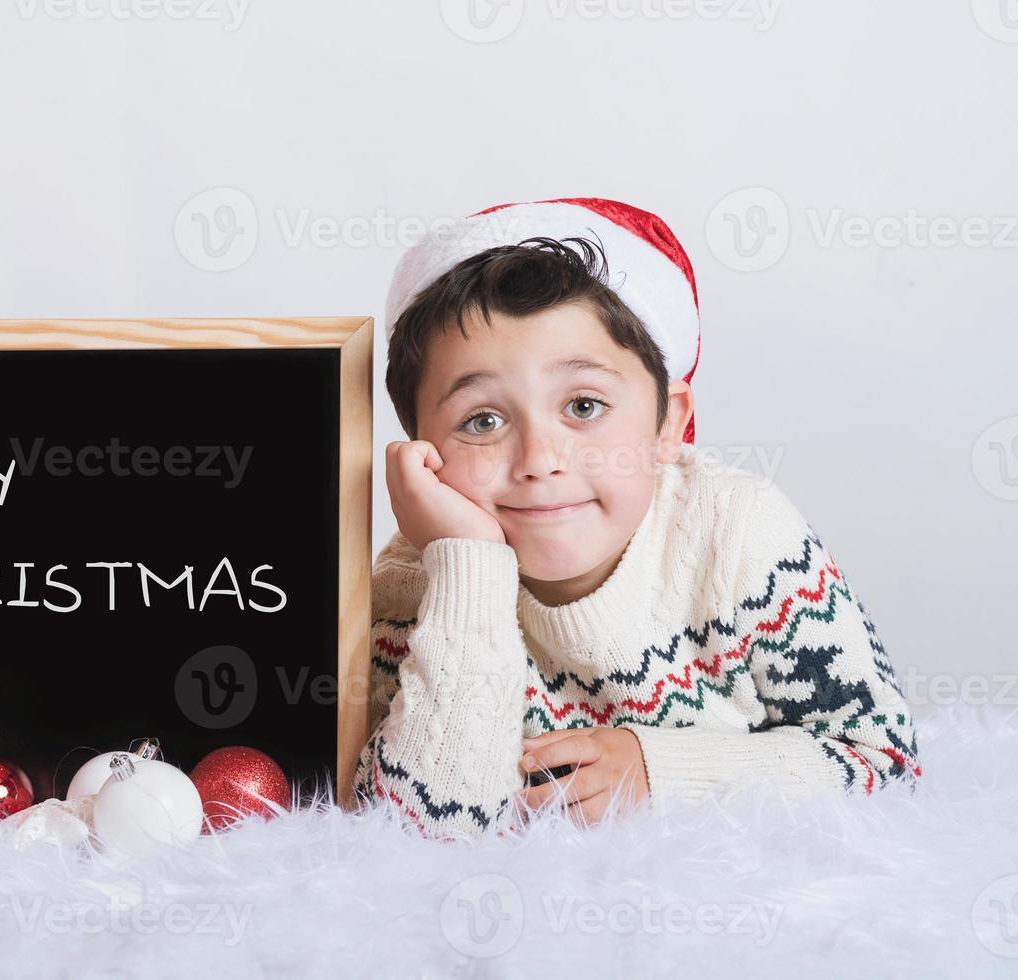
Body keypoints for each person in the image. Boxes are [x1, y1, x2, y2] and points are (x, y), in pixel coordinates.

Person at [354, 198, 920, 840]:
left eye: (585, 405)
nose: (540, 460)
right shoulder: (421, 580)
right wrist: (471, 575)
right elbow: (407, 832)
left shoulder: (739, 535)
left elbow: (884, 761)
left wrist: (659, 771)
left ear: (668, 423)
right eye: (483, 421)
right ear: (421, 455)